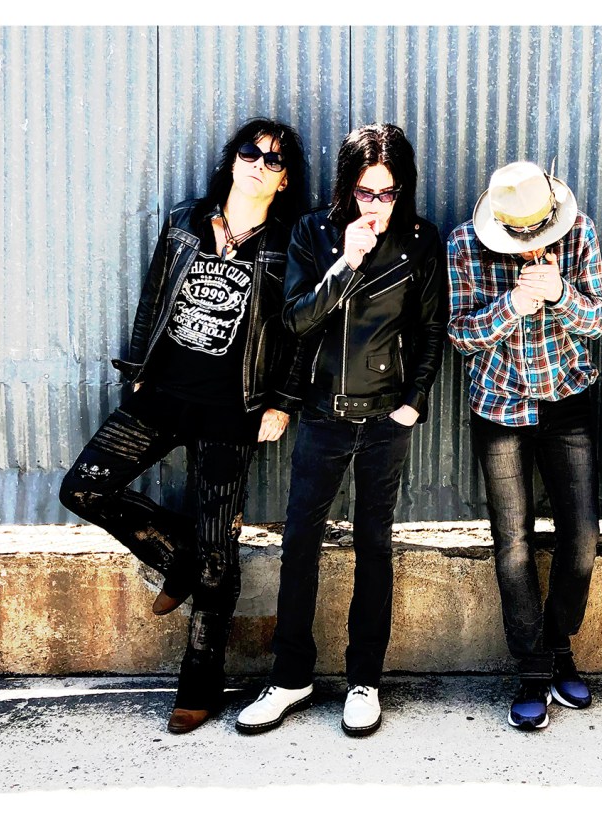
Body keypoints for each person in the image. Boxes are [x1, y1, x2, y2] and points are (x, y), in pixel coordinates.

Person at [58, 118, 308, 733]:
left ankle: (199, 685)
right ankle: (182, 551)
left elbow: (301, 330)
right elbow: (153, 296)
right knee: (83, 488)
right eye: (250, 152)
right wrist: (137, 371)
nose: (259, 164)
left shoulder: (289, 241)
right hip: (162, 394)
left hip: (233, 408)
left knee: (220, 557)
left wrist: (282, 402)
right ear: (232, 160)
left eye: (274, 160)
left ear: (283, 181)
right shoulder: (185, 220)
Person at [235, 123, 446, 738]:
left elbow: (432, 328)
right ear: (346, 186)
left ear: (402, 189)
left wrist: (414, 402)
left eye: (387, 192)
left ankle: (364, 681)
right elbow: (295, 320)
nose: (375, 204)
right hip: (323, 414)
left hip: (385, 418)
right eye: (364, 191)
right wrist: (346, 263)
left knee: (373, 547)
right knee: (300, 544)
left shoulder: (420, 240)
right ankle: (290, 678)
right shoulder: (313, 232)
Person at [446, 161, 602, 730]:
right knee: (513, 544)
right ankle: (533, 667)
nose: (529, 245)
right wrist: (510, 307)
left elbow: (600, 320)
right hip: (500, 406)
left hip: (567, 398)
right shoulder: (464, 244)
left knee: (582, 536)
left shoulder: (580, 231)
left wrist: (562, 294)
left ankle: (560, 643)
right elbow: (459, 334)